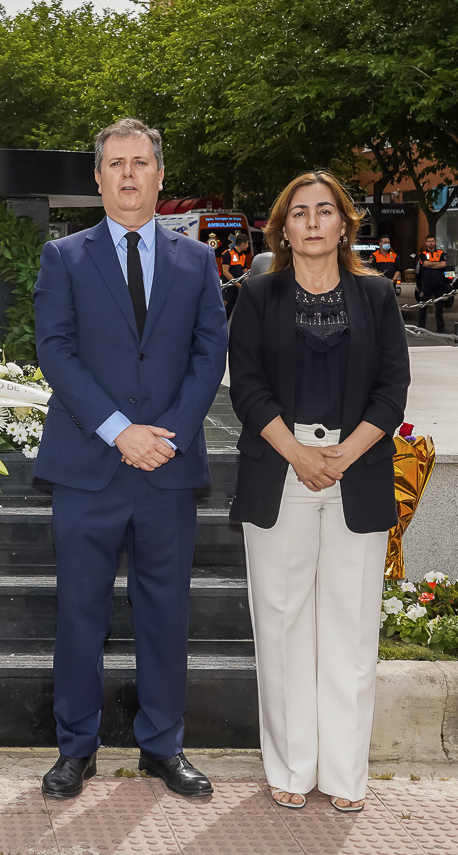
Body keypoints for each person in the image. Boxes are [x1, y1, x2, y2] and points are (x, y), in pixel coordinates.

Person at [33, 118, 228, 800]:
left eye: (139, 162)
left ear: (159, 175)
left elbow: (210, 352)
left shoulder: (197, 261)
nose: (127, 174)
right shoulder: (64, 257)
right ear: (97, 178)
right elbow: (55, 350)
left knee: (165, 614)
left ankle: (163, 747)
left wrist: (166, 435)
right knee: (80, 613)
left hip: (168, 467)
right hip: (88, 467)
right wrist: (121, 431)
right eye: (115, 163)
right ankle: (75, 749)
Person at [228, 170, 409, 812]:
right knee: (281, 625)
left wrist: (343, 455)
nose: (311, 222)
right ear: (283, 227)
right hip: (282, 469)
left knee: (351, 630)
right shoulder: (258, 295)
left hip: (356, 469)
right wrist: (300, 454)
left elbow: (392, 389)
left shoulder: (378, 295)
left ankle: (344, 776)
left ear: (344, 224)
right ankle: (290, 769)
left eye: (324, 210)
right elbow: (248, 387)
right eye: (299, 212)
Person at [415, 235, 448, 332]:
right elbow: (425, 263)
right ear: (426, 243)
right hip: (426, 284)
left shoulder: (440, 253)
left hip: (439, 283)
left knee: (439, 306)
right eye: (429, 241)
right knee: (423, 306)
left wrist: (430, 264)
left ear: (435, 242)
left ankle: (441, 328)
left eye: (432, 241)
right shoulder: (423, 253)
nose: (431, 243)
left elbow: (444, 264)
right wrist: (438, 263)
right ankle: (421, 328)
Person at [221, 233, 251, 318]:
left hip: (239, 289)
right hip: (229, 289)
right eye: (247, 243)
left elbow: (245, 272)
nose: (248, 246)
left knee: (240, 313)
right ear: (243, 244)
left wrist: (247, 281)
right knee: (226, 312)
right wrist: (237, 284)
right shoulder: (228, 254)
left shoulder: (243, 256)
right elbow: (225, 272)